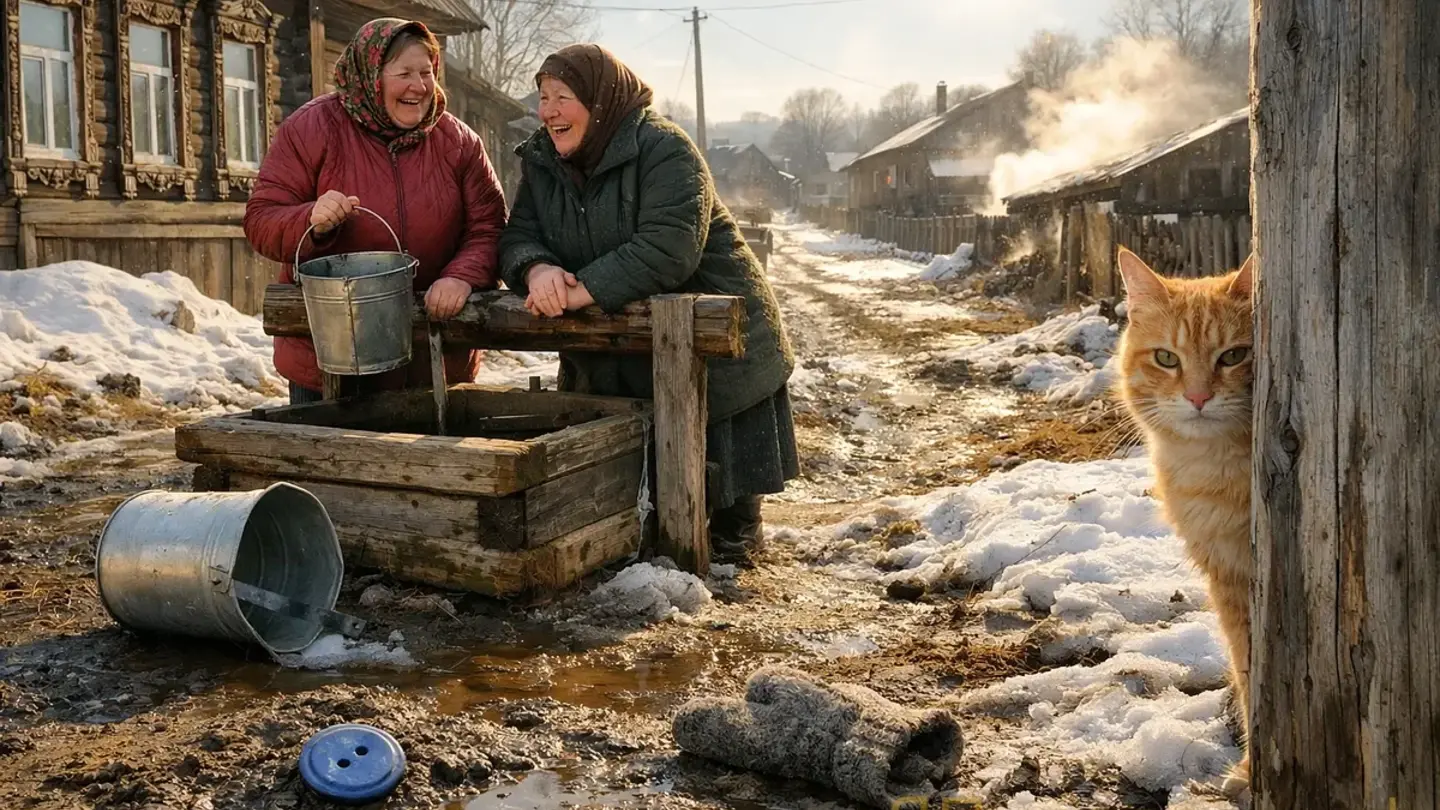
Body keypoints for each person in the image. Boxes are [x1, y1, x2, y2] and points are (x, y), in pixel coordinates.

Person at [498, 43, 798, 565]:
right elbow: (518, 234)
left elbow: (668, 247)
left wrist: (578, 291)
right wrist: (536, 269)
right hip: (623, 330)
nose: (548, 111)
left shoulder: (663, 148)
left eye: (563, 97)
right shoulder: (543, 160)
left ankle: (734, 541)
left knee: (721, 476)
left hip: (716, 324)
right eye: (543, 97)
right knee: (637, 471)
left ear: (600, 101)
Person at [243, 17, 507, 404]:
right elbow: (261, 221)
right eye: (404, 73)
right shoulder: (312, 129)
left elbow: (490, 228)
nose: (419, 86)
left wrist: (462, 277)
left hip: (433, 360)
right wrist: (311, 220)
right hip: (332, 362)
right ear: (371, 76)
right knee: (324, 445)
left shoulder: (459, 141)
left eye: (426, 73)